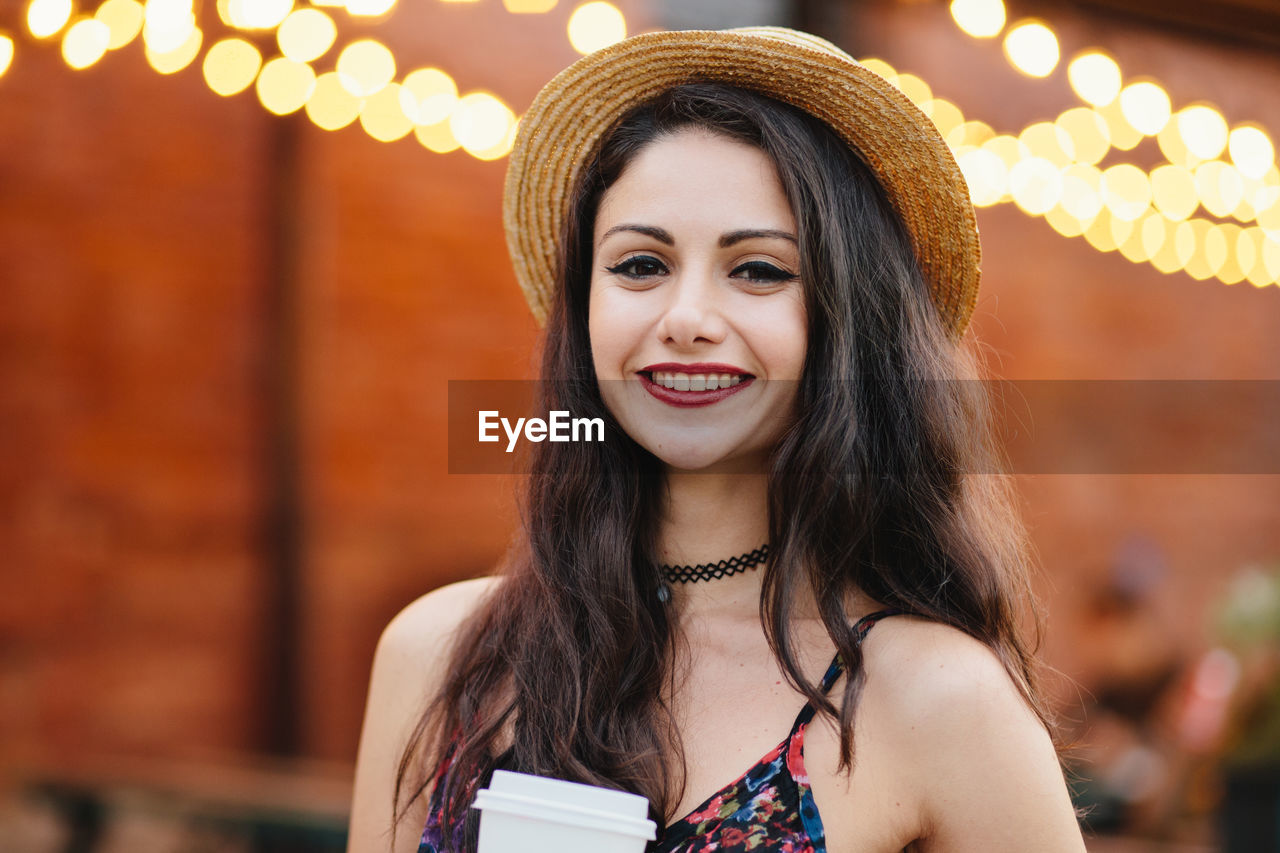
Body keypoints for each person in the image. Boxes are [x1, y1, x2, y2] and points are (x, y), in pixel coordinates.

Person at [347, 26, 1087, 853]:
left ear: (848, 321)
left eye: (759, 270)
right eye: (639, 265)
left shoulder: (939, 702)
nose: (687, 318)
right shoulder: (439, 657)